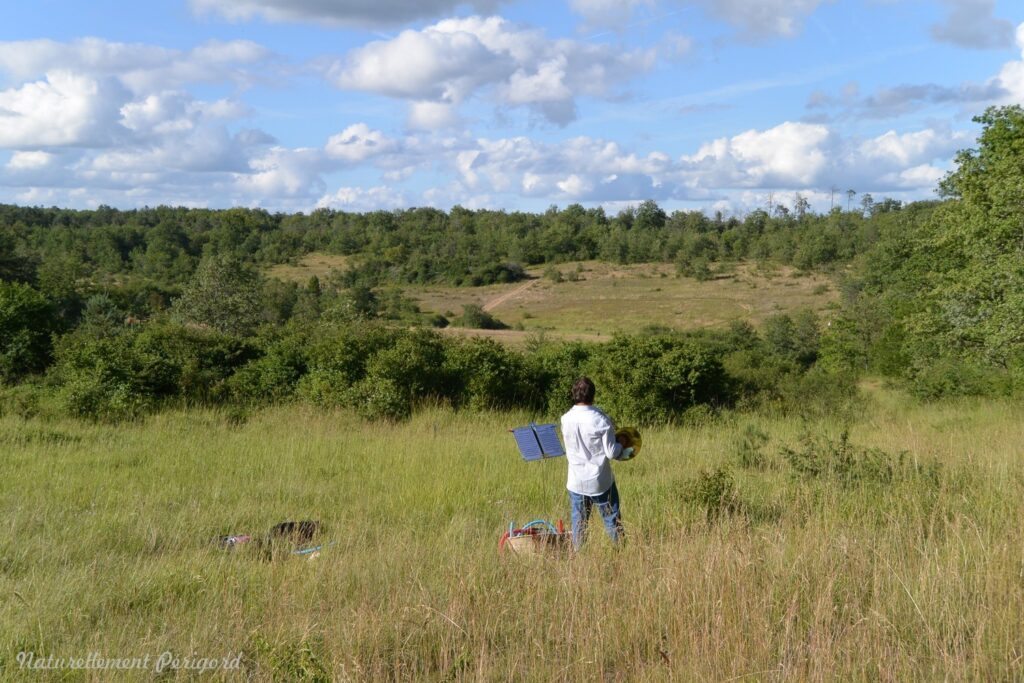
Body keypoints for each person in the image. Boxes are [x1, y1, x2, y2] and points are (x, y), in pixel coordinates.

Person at [560, 376, 627, 549]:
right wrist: (622, 444)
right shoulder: (601, 420)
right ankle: (621, 553)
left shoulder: (565, 418)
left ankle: (579, 557)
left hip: (575, 481)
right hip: (600, 482)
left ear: (574, 394)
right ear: (592, 395)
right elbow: (612, 453)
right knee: (611, 520)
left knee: (579, 523)